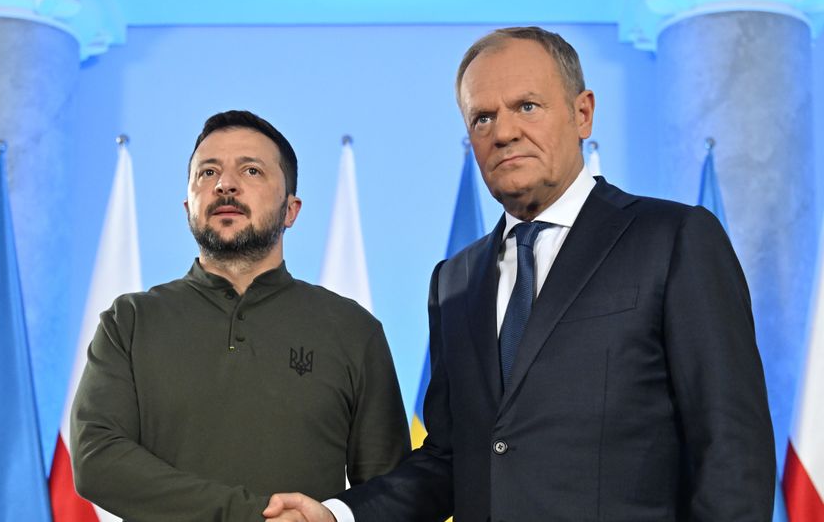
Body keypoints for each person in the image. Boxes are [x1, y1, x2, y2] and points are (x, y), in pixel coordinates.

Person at [263, 27, 775, 522]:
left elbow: (731, 447)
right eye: (482, 118)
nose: (503, 132)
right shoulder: (454, 281)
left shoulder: (673, 238)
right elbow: (449, 459)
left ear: (582, 113)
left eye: (527, 106)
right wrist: (339, 515)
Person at [71, 110, 410, 521]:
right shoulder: (129, 322)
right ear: (187, 207)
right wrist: (254, 516)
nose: (224, 184)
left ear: (291, 209)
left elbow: (391, 496)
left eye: (251, 171)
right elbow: (96, 459)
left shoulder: (353, 330)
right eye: (207, 172)